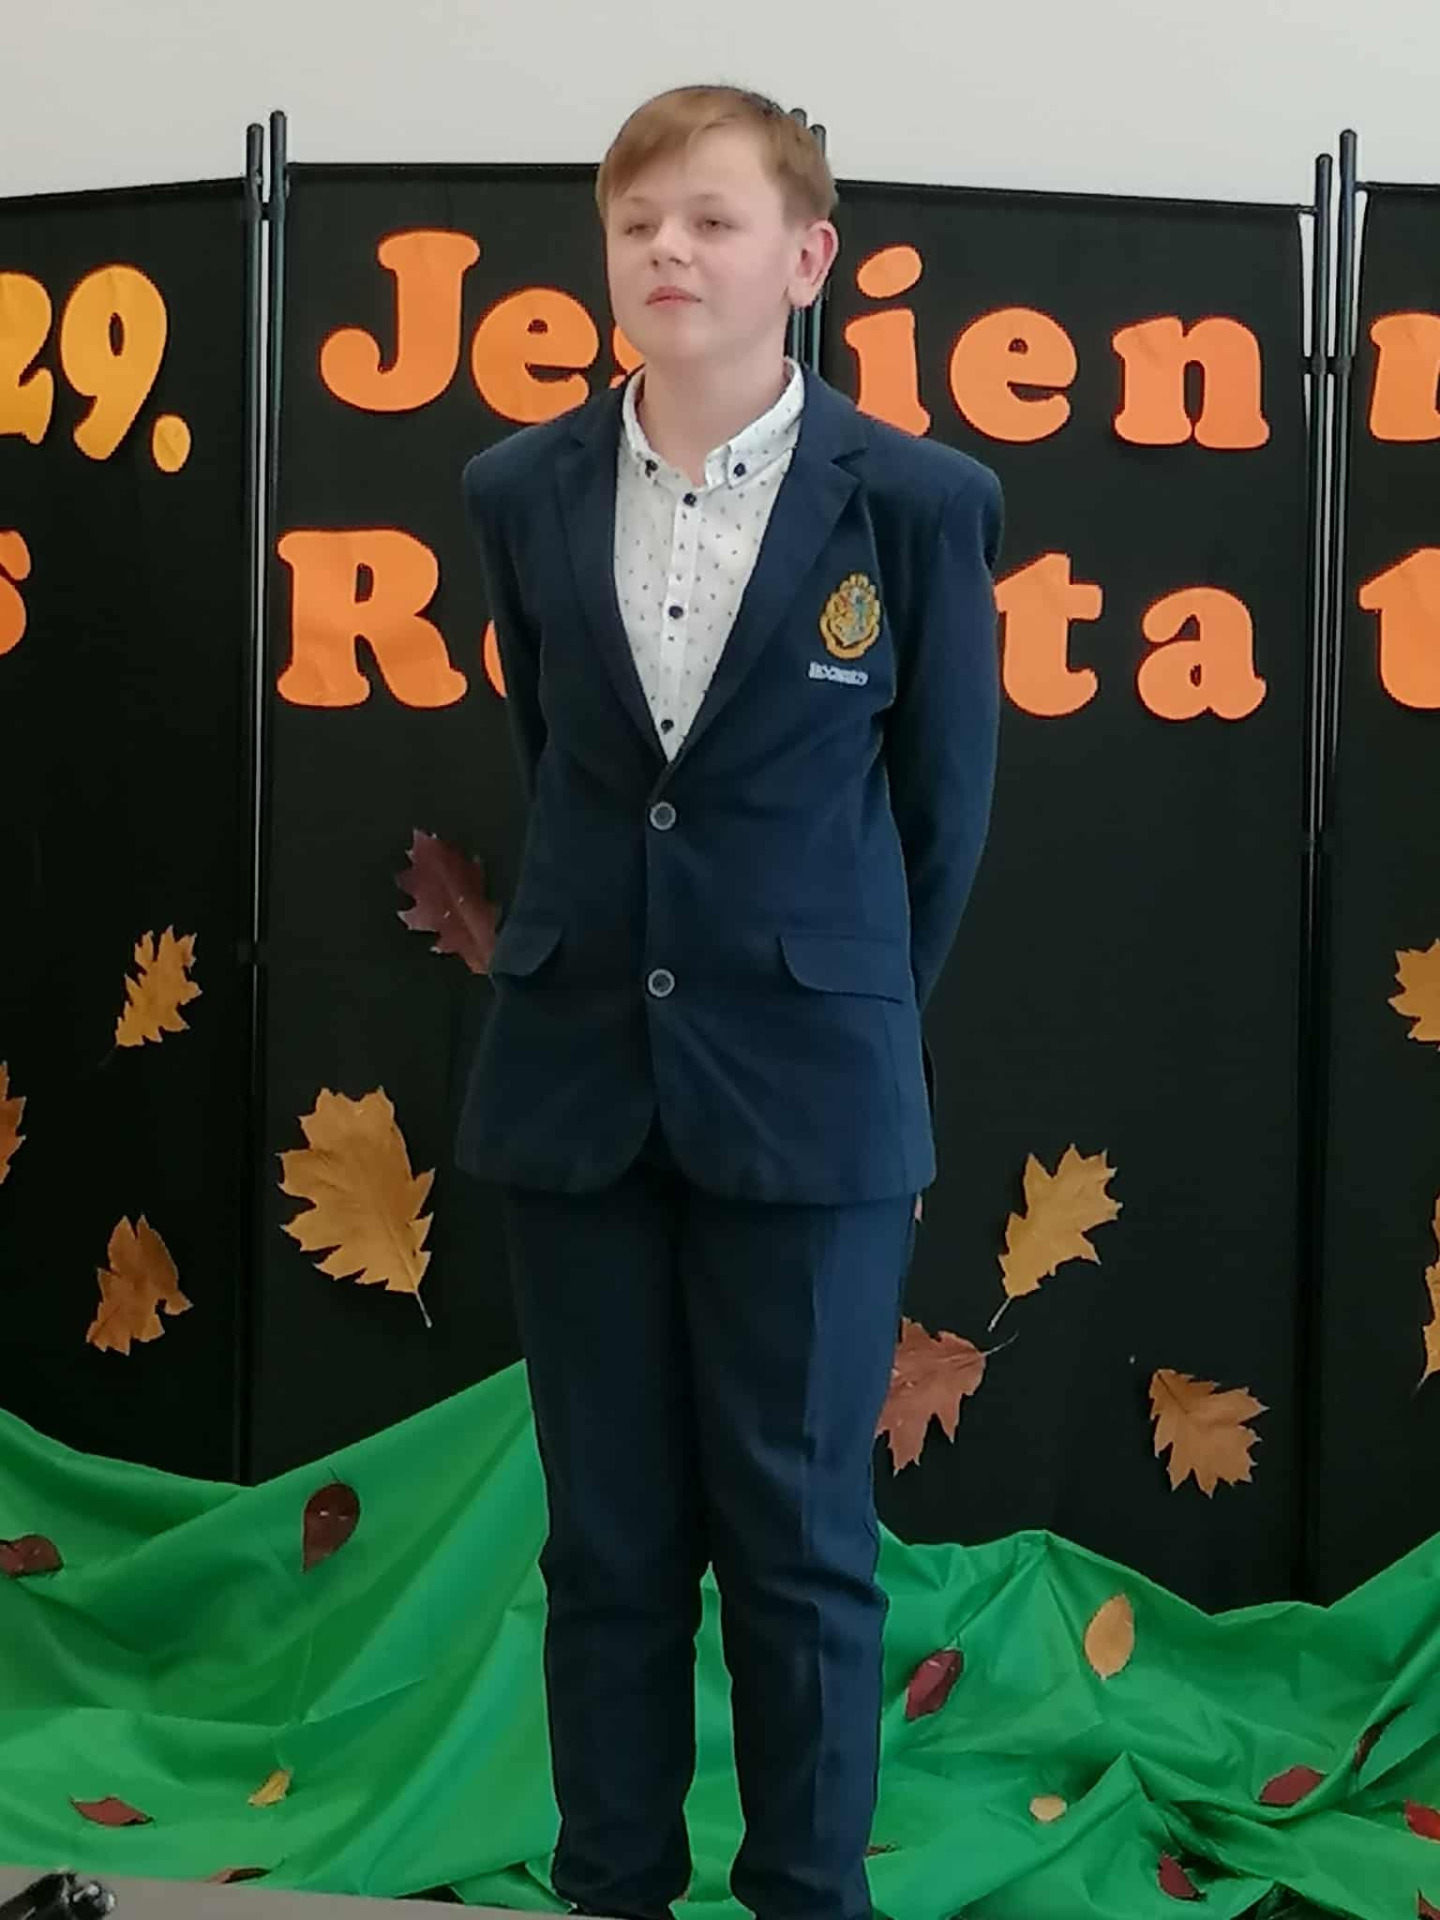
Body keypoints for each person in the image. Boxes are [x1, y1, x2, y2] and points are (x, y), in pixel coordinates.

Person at [456, 81, 1003, 1920]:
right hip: (576, 1092)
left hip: (813, 1096)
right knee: (607, 1547)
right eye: (636, 224)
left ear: (807, 257)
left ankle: (806, 1901)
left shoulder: (917, 504)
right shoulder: (518, 491)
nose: (667, 251)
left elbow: (938, 819)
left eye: (709, 218)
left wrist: (834, 1012)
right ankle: (611, 1888)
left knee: (800, 1546)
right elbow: (563, 764)